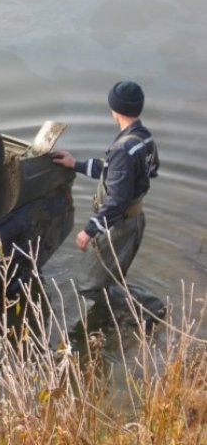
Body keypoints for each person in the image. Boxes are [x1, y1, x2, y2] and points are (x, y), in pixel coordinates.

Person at [52, 80, 164, 319]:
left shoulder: (123, 149)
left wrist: (90, 230)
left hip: (119, 226)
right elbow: (143, 172)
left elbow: (117, 198)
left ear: (115, 109)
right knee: (108, 279)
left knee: (89, 284)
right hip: (134, 220)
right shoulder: (144, 139)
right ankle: (119, 318)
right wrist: (77, 165)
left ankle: (150, 309)